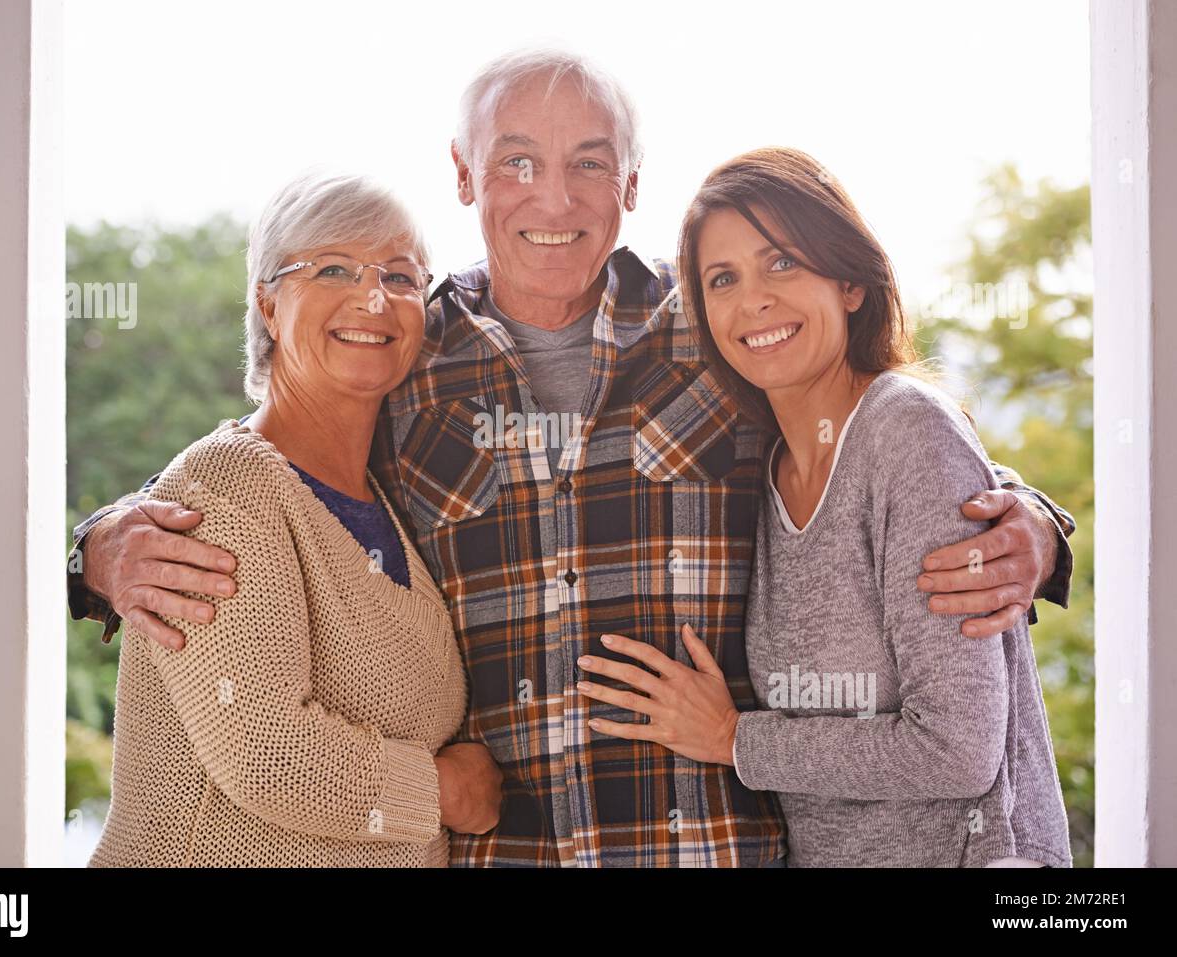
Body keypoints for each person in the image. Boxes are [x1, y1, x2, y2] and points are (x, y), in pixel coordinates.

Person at [70, 48, 1075, 867]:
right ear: (463, 174)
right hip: (506, 852)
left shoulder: (716, 335)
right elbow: (274, 474)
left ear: (631, 183)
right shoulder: (406, 353)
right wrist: (98, 550)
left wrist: (1028, 521)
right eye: (516, 162)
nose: (552, 195)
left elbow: (875, 427)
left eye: (589, 162)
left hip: (709, 849)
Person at [577, 147, 1073, 867]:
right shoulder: (764, 463)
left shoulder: (906, 431)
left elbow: (956, 750)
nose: (755, 299)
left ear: (848, 280)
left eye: (782, 262)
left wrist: (733, 738)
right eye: (724, 279)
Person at [88, 169, 501, 867]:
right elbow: (266, 754)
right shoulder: (228, 483)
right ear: (268, 304)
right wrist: (445, 790)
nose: (373, 297)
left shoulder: (387, 507)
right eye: (333, 269)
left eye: (401, 277)